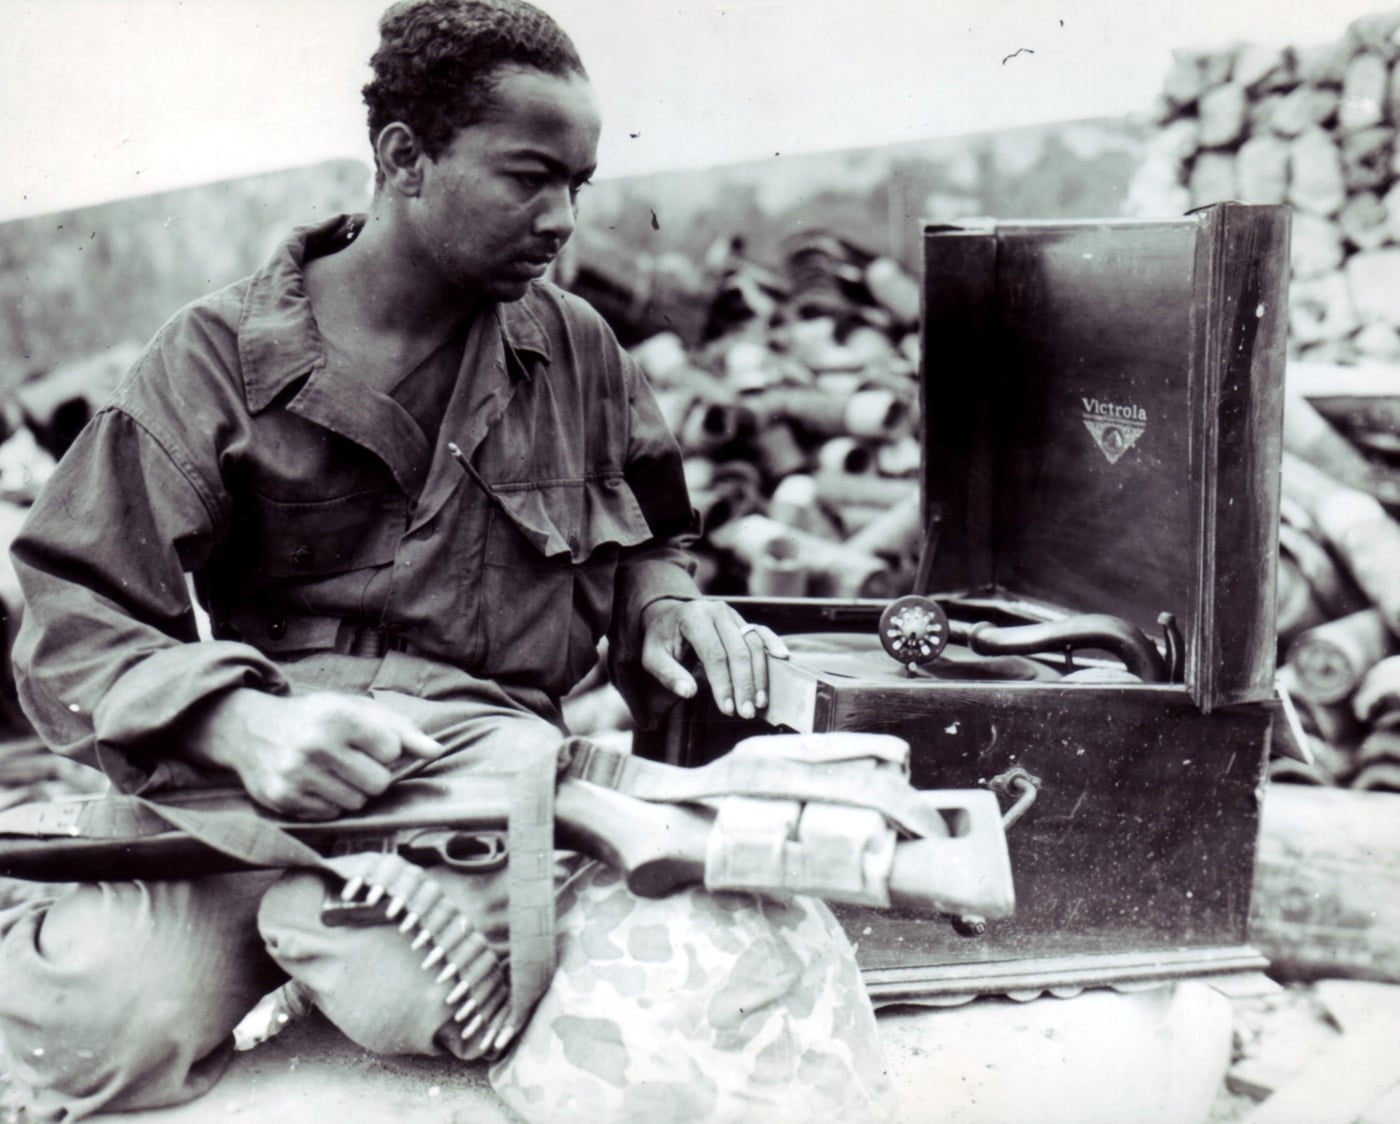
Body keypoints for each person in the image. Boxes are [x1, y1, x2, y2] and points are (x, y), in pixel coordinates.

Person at [0, 1, 897, 1120]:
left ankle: (330, 926)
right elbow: (71, 606)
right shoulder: (217, 355)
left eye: (579, 182)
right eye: (529, 176)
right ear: (402, 157)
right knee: (79, 1033)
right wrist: (238, 723)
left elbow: (653, 535)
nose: (562, 217)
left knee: (417, 984)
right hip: (255, 770)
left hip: (479, 770)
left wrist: (666, 606)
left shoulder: (574, 347)